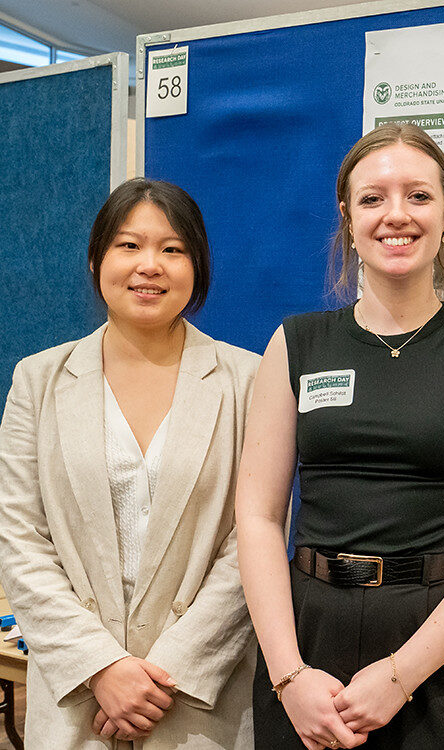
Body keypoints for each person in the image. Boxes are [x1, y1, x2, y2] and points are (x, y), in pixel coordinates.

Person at [237, 123, 444, 750]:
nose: (395, 215)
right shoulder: (296, 344)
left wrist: (401, 675)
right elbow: (259, 516)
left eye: (418, 196)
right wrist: (288, 673)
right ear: (348, 218)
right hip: (305, 636)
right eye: (373, 198)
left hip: (434, 641)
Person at [0, 179, 259, 748]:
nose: (150, 266)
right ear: (97, 259)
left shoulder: (249, 381)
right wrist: (101, 667)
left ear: (198, 266)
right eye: (128, 246)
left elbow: (254, 542)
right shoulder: (37, 381)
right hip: (78, 701)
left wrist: (166, 673)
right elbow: (19, 538)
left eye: (173, 249)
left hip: (197, 697)